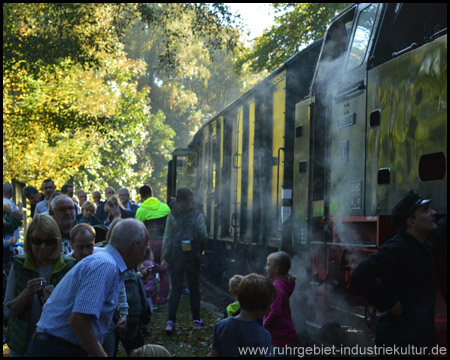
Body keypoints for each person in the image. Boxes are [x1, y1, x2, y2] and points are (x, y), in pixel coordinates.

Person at [27, 218, 149, 357]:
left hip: (57, 347)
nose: (145, 254)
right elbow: (78, 320)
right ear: (135, 246)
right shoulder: (105, 265)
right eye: (144, 247)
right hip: (56, 350)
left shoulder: (106, 262)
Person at [351, 190, 447, 351]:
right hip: (398, 341)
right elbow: (360, 274)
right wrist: (389, 303)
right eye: (425, 210)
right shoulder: (395, 249)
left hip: (420, 339)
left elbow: (444, 226)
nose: (433, 213)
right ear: (411, 222)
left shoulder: (426, 243)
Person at [4, 215, 76, 357]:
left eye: (49, 242)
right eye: (37, 241)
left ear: (57, 242)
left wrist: (53, 303)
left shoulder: (69, 266)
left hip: (56, 346)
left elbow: (75, 315)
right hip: (21, 344)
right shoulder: (19, 265)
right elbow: (7, 311)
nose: (43, 247)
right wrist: (27, 292)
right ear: (29, 241)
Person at [162, 188, 208, 334]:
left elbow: (168, 237)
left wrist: (165, 255)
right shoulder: (198, 213)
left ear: (178, 199)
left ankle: (170, 322)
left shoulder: (173, 214)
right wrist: (201, 249)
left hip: (176, 256)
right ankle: (196, 321)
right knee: (194, 289)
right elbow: (203, 234)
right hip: (193, 256)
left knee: (175, 289)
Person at [211, 273, 277, 357]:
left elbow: (214, 354)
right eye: (269, 304)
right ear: (261, 307)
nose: (270, 307)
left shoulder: (221, 326)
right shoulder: (263, 335)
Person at [135, 184, 171, 305]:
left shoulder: (141, 210)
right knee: (164, 270)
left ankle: (151, 297)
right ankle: (163, 298)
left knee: (150, 270)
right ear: (152, 194)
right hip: (165, 243)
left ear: (141, 196)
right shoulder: (165, 207)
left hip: (150, 244)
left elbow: (138, 230)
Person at [264, 251, 297, 348]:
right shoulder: (284, 283)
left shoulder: (276, 287)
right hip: (285, 333)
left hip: (279, 337)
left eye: (268, 265)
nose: (265, 268)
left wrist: (265, 323)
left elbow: (275, 310)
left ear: (276, 269)